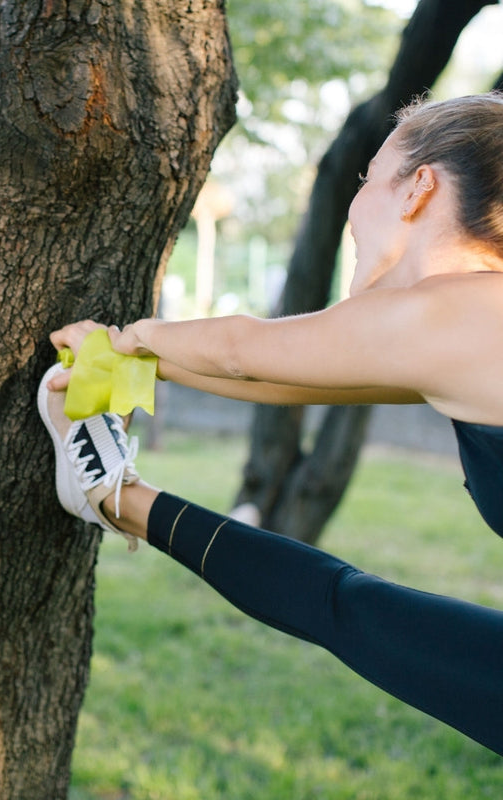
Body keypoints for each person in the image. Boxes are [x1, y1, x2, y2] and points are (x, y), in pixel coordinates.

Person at [38, 92, 503, 757]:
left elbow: (243, 349)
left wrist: (127, 339)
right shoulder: (471, 328)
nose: (352, 205)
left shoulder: (457, 312)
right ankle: (110, 494)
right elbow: (287, 378)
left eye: (367, 178)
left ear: (419, 188)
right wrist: (134, 370)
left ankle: (109, 495)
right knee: (346, 607)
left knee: (344, 604)